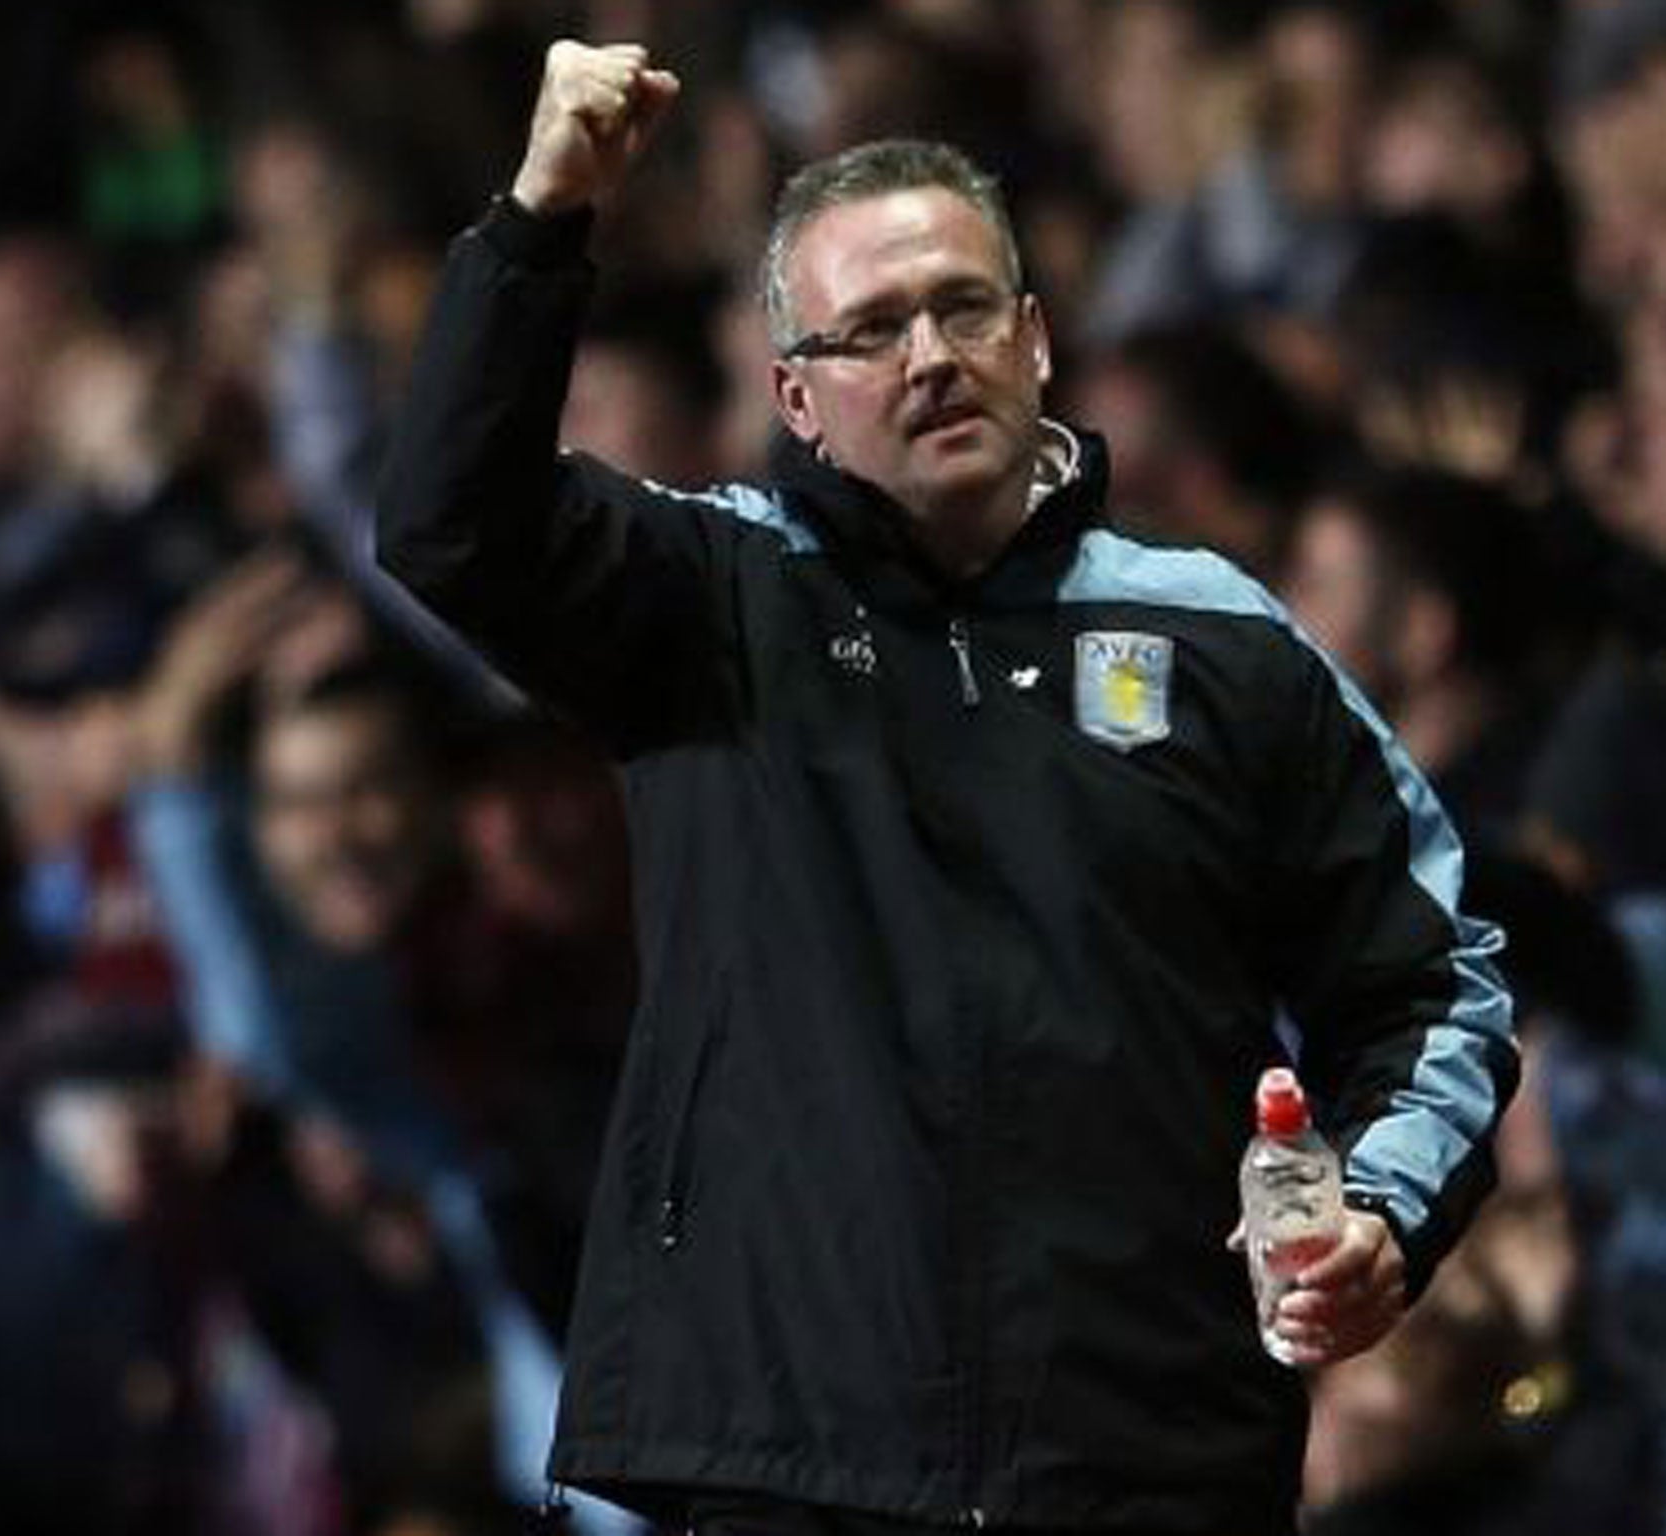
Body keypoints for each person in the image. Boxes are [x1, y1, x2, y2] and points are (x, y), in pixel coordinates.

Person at [375, 39, 1517, 1536]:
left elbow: (1436, 983)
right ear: (793, 395)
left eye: (963, 307)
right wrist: (541, 217)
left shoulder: (1223, 639)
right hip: (786, 1460)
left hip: (1147, 1459)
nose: (927, 355)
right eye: (870, 330)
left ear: (1035, 339)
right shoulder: (710, 601)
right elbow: (450, 525)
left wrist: (1380, 1213)